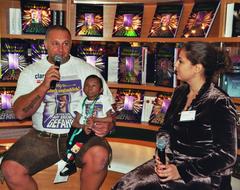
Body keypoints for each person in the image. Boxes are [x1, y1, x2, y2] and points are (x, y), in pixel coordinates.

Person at [0, 25, 114, 190]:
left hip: (79, 133)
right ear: (45, 44)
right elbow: (19, 113)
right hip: (42, 137)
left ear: (71, 44)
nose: (60, 49)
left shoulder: (87, 70)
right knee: (10, 169)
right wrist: (44, 85)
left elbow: (110, 109)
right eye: (55, 44)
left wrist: (109, 125)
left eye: (65, 44)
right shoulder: (30, 72)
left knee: (100, 155)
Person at [112, 41, 238, 190]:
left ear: (197, 68)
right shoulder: (180, 92)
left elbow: (226, 156)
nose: (175, 65)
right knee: (124, 185)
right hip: (174, 163)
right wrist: (162, 155)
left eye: (181, 61)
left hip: (205, 175)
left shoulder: (218, 101)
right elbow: (165, 129)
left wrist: (181, 171)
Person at [60, 74, 113, 177]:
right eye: (87, 85)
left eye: (94, 85)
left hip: (96, 128)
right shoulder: (82, 101)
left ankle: (71, 164)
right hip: (84, 128)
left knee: (78, 143)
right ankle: (71, 162)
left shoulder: (103, 100)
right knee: (70, 141)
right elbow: (75, 122)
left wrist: (95, 119)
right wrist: (83, 126)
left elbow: (110, 118)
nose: (90, 88)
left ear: (100, 90)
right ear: (83, 88)